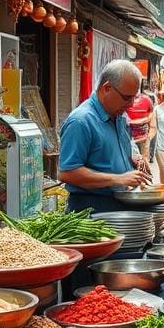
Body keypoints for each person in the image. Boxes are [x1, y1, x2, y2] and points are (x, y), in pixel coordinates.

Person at [58, 60, 149, 213]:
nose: (131, 104)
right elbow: (67, 173)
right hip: (91, 209)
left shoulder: (119, 115)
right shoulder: (81, 121)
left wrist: (135, 159)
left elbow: (123, 146)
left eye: (134, 98)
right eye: (127, 98)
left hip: (119, 203)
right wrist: (119, 178)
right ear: (107, 88)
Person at [125, 84, 154, 160]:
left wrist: (145, 120)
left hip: (143, 135)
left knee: (144, 159)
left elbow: (152, 112)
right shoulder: (125, 99)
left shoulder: (146, 99)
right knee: (130, 158)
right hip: (128, 135)